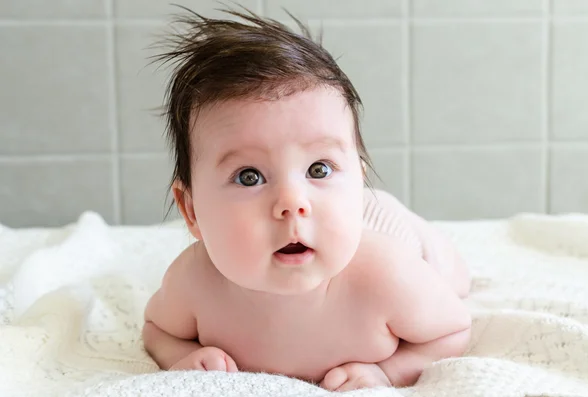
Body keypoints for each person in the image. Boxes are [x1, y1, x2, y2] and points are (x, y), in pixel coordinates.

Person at [143, 6, 471, 392]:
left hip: (387, 226)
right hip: (338, 221)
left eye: (319, 169)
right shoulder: (193, 282)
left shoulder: (388, 276)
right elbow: (156, 330)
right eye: (250, 177)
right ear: (192, 211)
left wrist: (390, 371)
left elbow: (452, 330)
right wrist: (181, 358)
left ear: (356, 183)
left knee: (453, 277)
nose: (291, 202)